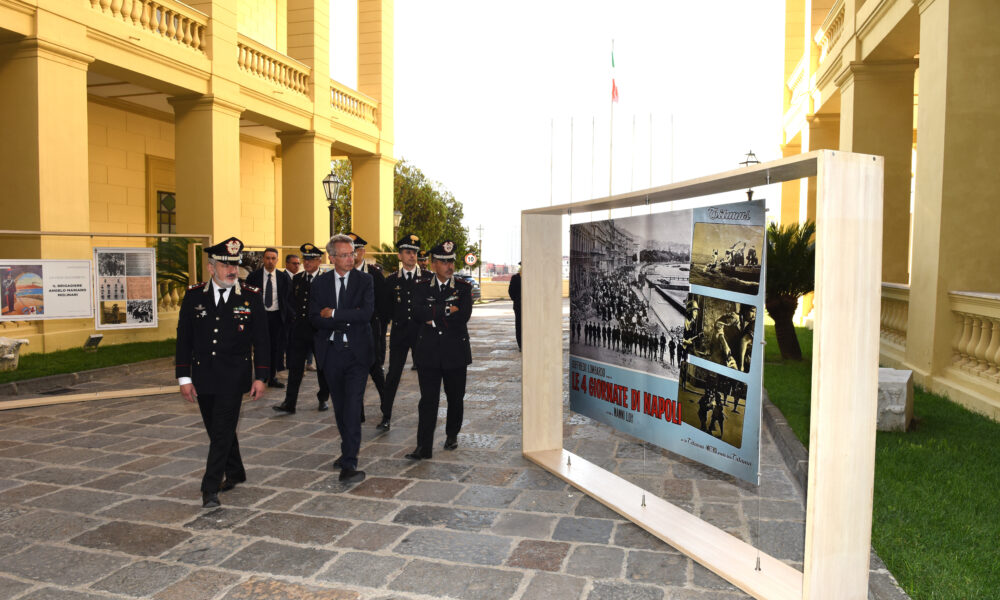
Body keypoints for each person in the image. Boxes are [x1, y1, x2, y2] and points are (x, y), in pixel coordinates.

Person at [175, 237, 269, 508]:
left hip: (233, 376)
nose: (232, 271)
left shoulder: (250, 297)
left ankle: (210, 486)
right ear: (210, 268)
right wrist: (184, 378)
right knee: (218, 429)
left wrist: (261, 376)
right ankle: (236, 471)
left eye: (235, 265)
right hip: (204, 376)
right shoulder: (194, 296)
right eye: (225, 266)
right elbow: (184, 340)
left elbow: (262, 340)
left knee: (221, 431)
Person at [309, 234, 374, 484]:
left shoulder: (365, 280)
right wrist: (348, 316)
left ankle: (349, 464)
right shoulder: (320, 284)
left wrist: (334, 313)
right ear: (332, 257)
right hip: (332, 353)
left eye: (353, 253)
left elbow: (366, 314)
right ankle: (347, 448)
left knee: (353, 406)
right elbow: (315, 318)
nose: (351, 258)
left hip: (357, 354)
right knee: (340, 407)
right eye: (345, 255)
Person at [405, 241, 473, 460]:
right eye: (444, 262)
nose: (449, 266)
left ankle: (452, 434)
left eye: (451, 261)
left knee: (455, 397)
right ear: (434, 264)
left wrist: (432, 319)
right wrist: (445, 311)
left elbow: (462, 317)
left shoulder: (463, 287)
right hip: (429, 353)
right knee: (428, 401)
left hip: (455, 352)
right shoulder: (421, 286)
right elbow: (416, 312)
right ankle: (423, 446)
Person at [272, 243, 331, 415]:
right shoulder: (297, 279)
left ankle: (323, 398)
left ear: (319, 261)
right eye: (305, 259)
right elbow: (290, 301)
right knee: (295, 368)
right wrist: (293, 317)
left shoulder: (325, 280)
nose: (307, 263)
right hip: (300, 331)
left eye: (311, 260)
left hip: (318, 331)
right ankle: (290, 402)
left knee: (322, 367)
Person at [377, 234, 428, 431]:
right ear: (399, 255)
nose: (412, 256)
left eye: (415, 252)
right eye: (408, 252)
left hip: (421, 334)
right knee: (393, 376)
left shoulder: (427, 279)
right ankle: (386, 416)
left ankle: (426, 416)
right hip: (399, 334)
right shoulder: (390, 281)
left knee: (425, 375)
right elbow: (384, 310)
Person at [349, 232, 389, 417]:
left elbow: (383, 306)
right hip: (349, 331)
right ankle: (359, 412)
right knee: (354, 372)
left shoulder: (374, 274)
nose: (352, 254)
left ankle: (386, 405)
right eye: (349, 251)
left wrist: (379, 333)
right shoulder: (341, 273)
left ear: (363, 252)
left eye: (355, 250)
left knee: (375, 371)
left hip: (370, 331)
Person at [246, 247, 292, 388]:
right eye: (267, 258)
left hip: (277, 317)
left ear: (277, 260)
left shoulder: (284, 277)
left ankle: (271, 377)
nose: (270, 261)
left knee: (274, 348)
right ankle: (260, 376)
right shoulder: (253, 277)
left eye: (273, 258)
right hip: (260, 317)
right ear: (263, 259)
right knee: (259, 347)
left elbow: (289, 299)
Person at [508, 263, 522, 351]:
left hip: (531, 306)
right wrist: (517, 300)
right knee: (519, 325)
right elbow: (511, 291)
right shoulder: (515, 278)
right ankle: (521, 344)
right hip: (519, 305)